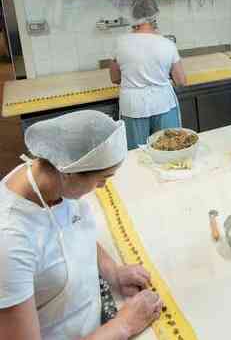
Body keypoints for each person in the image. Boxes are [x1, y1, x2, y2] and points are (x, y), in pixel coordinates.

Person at [0, 110, 162, 339]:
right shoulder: (9, 241)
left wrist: (113, 272)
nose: (102, 187)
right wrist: (123, 325)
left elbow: (72, 229)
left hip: (90, 321)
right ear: (70, 173)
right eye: (101, 179)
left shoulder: (47, 176)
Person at [109, 0, 187, 150]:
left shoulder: (120, 43)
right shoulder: (167, 44)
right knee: (169, 151)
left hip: (133, 105)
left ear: (132, 16)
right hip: (163, 103)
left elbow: (115, 78)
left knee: (136, 155)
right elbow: (181, 81)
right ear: (155, 16)